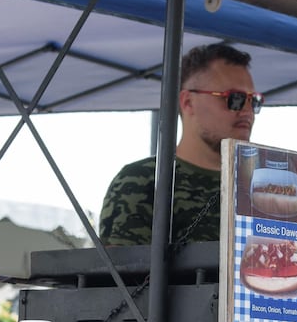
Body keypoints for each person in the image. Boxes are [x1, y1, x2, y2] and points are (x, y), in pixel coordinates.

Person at [98, 42, 258, 247]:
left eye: (254, 101)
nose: (247, 111)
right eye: (234, 99)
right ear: (188, 102)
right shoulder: (142, 182)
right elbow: (126, 277)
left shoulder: (263, 188)